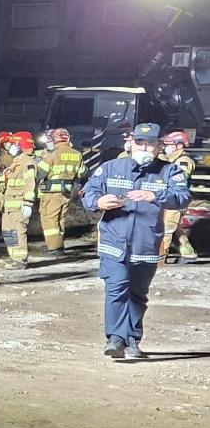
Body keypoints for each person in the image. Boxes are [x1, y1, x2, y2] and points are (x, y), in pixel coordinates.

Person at [80, 123, 190, 358]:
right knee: (117, 287)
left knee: (138, 294)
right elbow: (89, 193)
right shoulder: (110, 168)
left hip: (146, 243)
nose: (145, 148)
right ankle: (116, 338)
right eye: (140, 143)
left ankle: (132, 340)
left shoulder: (170, 171)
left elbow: (182, 197)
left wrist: (156, 195)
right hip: (113, 240)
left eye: (150, 144)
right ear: (130, 143)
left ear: (159, 146)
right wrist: (98, 202)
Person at [36, 127, 87, 253]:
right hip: (67, 192)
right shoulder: (77, 154)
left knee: (49, 219)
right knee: (60, 219)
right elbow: (82, 173)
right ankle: (58, 243)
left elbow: (40, 173)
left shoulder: (54, 153)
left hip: (52, 193)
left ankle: (54, 248)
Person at [0, 131, 38, 269]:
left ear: (20, 145)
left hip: (19, 205)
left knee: (18, 231)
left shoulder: (27, 162)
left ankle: (20, 260)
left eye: (14, 144)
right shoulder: (16, 161)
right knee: (9, 231)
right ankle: (13, 257)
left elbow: (30, 184)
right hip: (9, 206)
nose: (11, 147)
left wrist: (28, 203)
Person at [160, 130, 197, 263]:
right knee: (175, 227)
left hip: (176, 200)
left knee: (167, 228)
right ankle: (189, 253)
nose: (166, 147)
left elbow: (179, 180)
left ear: (180, 145)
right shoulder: (171, 160)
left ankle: (160, 259)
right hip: (168, 198)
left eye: (170, 144)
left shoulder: (183, 162)